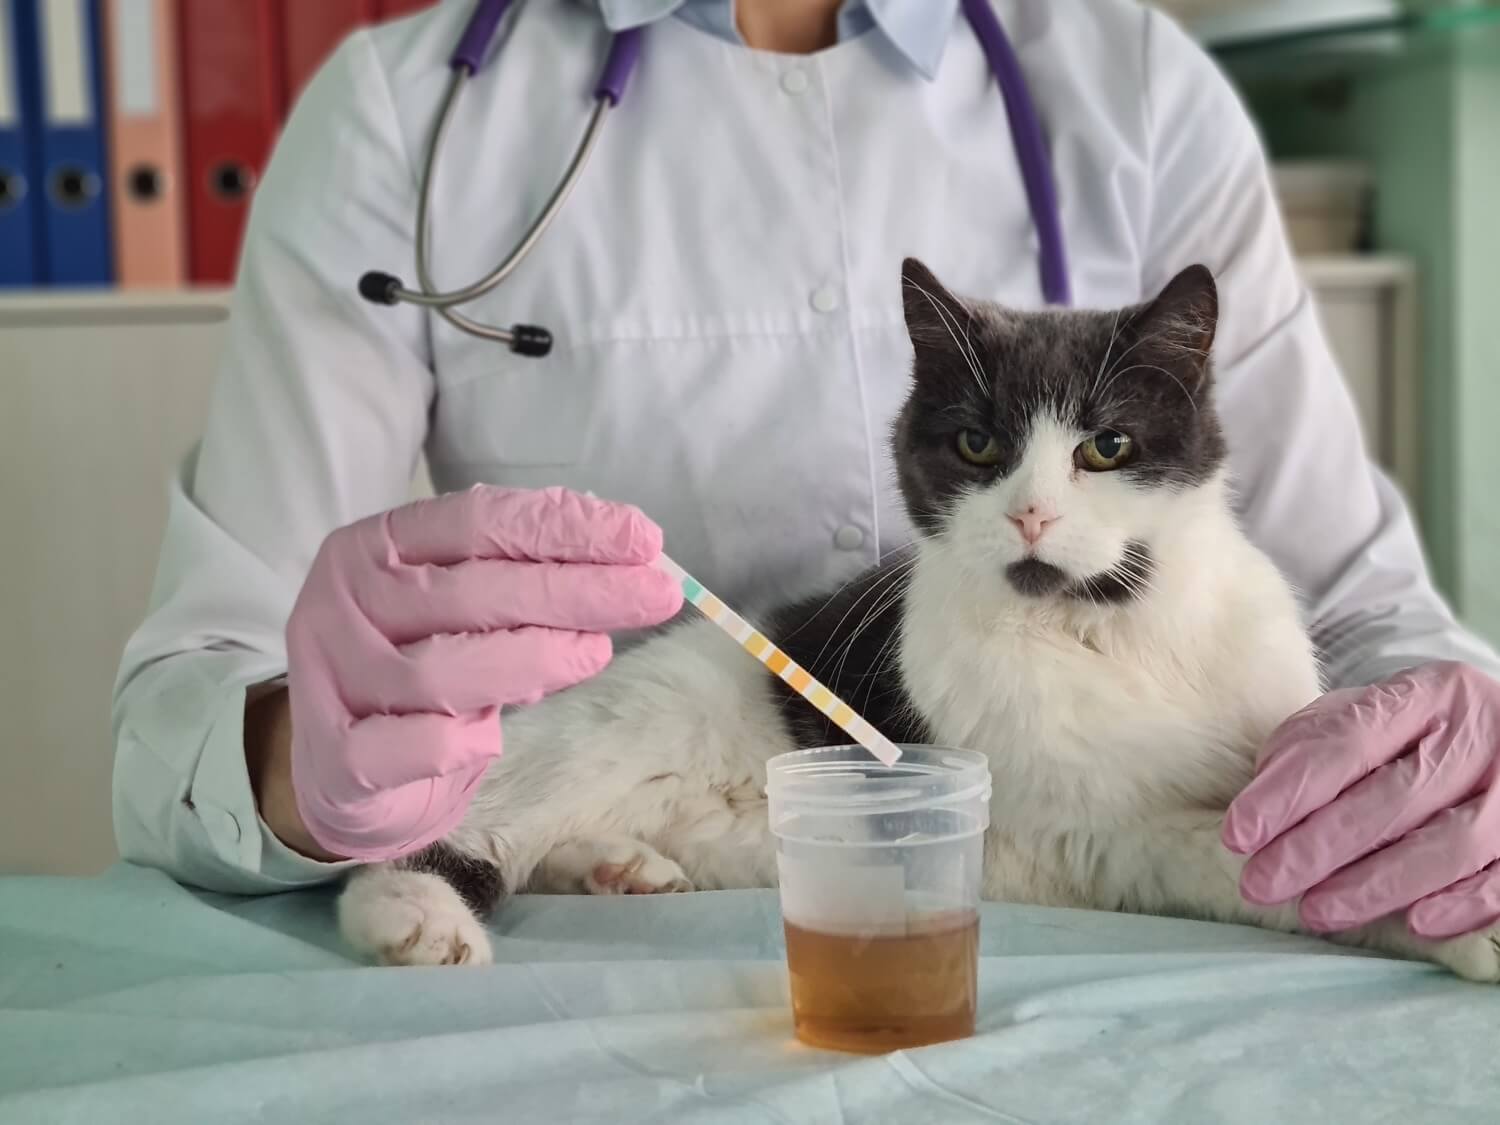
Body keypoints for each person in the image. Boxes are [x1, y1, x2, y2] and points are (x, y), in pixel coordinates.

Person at [114, 0, 1500, 942]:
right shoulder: (400, 120)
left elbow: (1373, 618)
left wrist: (1451, 749)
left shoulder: (1130, 82)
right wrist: (306, 753)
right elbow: (184, 714)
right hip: (628, 948)